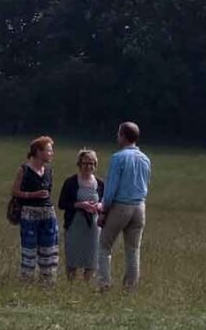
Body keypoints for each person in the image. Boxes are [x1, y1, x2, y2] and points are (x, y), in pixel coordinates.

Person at [99, 121, 150, 290]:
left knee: (105, 245)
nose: (117, 136)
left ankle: (104, 284)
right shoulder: (145, 159)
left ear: (123, 136)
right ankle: (130, 287)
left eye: (118, 133)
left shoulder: (118, 157)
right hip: (140, 207)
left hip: (121, 206)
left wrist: (104, 210)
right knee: (133, 249)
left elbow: (111, 187)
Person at [13, 135, 60, 284]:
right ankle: (26, 280)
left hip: (47, 213)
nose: (51, 153)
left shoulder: (49, 171)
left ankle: (47, 281)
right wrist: (32, 194)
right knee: (29, 249)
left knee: (49, 248)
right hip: (29, 213)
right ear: (38, 152)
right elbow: (15, 191)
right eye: (48, 150)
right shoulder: (24, 170)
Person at [59, 148, 106, 281]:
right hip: (74, 224)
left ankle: (86, 284)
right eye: (85, 163)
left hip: (93, 226)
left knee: (91, 259)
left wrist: (99, 206)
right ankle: (71, 284)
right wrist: (80, 205)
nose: (88, 166)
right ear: (79, 164)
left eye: (91, 163)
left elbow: (105, 202)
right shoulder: (71, 182)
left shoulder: (100, 183)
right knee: (72, 257)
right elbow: (62, 203)